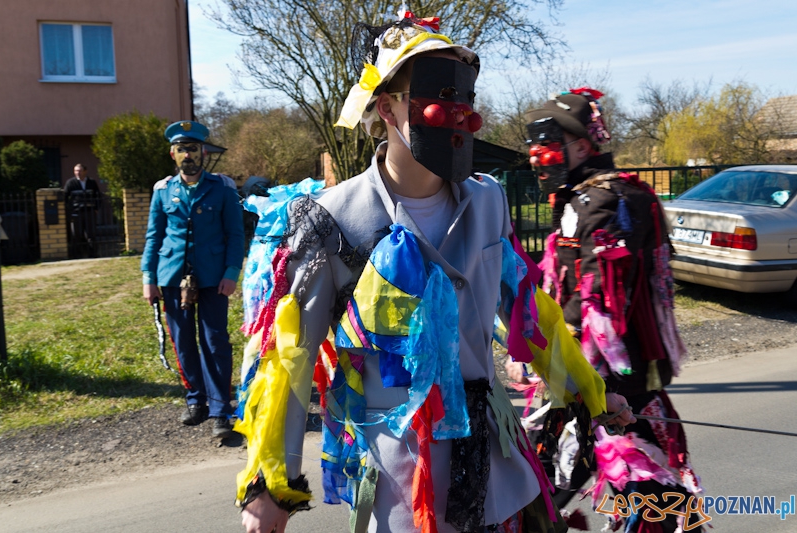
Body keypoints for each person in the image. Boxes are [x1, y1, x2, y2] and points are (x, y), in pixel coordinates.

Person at [235, 14, 633, 533]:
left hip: (497, 470)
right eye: (438, 94)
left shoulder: (488, 198)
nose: (459, 115)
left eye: (463, 99)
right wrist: (271, 482)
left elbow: (526, 310)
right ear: (386, 109)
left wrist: (588, 390)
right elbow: (288, 358)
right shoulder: (331, 220)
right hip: (403, 486)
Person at [514, 89, 702, 532]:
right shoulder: (593, 195)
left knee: (650, 502)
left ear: (580, 144)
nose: (537, 158)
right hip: (586, 382)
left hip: (609, 388)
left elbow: (597, 304)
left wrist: (557, 366)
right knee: (537, 490)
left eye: (545, 144)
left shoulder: (603, 202)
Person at [141, 120, 245, 439]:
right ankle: (196, 400)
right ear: (173, 154)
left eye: (194, 149)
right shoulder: (163, 191)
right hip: (172, 276)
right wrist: (148, 276)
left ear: (203, 152)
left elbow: (235, 234)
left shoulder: (222, 188)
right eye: (182, 149)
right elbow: (154, 236)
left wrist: (231, 273)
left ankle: (219, 411)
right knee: (183, 343)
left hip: (214, 277)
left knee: (215, 342)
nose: (189, 155)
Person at [63, 163, 101, 258]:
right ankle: (76, 255)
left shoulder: (92, 182)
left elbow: (98, 196)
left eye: (79, 171)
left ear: (85, 171)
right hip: (76, 212)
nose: (78, 173)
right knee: (76, 234)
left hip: (89, 211)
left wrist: (96, 208)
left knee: (91, 234)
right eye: (76, 171)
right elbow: (65, 197)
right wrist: (69, 210)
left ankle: (93, 254)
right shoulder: (70, 183)